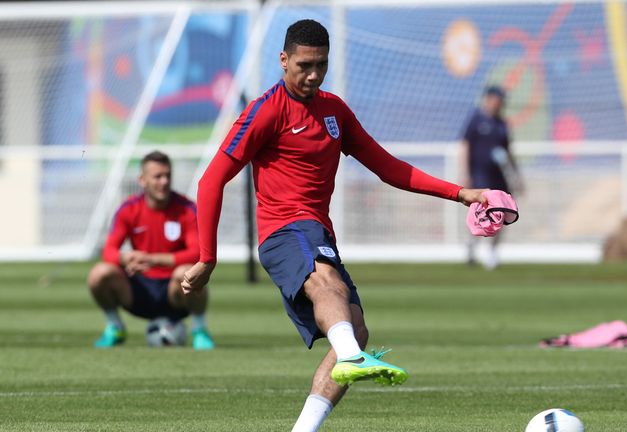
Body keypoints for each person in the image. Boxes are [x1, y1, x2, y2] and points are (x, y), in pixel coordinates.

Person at [181, 19, 487, 432]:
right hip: (284, 232)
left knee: (356, 328)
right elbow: (211, 180)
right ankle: (351, 357)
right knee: (328, 285)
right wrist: (207, 258)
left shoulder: (335, 111)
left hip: (317, 233)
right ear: (283, 60)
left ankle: (307, 423)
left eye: (320, 65)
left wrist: (459, 193)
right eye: (304, 65)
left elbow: (388, 167)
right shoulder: (265, 111)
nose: (312, 75)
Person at [87, 151, 215, 350]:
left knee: (187, 272)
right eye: (157, 176)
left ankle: (199, 329)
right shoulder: (128, 209)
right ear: (142, 180)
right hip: (140, 291)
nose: (164, 181)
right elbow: (109, 251)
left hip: (176, 293)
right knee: (99, 273)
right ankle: (115, 326)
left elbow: (197, 253)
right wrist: (126, 258)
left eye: (167, 176)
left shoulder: (187, 209)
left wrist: (153, 259)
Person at [459, 85, 524, 270]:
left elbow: (508, 152)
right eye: (497, 99)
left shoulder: (502, 125)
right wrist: (465, 174)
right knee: (479, 213)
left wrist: (517, 176)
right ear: (489, 99)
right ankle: (472, 246)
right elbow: (465, 146)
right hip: (480, 177)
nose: (499, 103)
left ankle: (493, 253)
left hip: (499, 178)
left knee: (501, 214)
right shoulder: (476, 120)